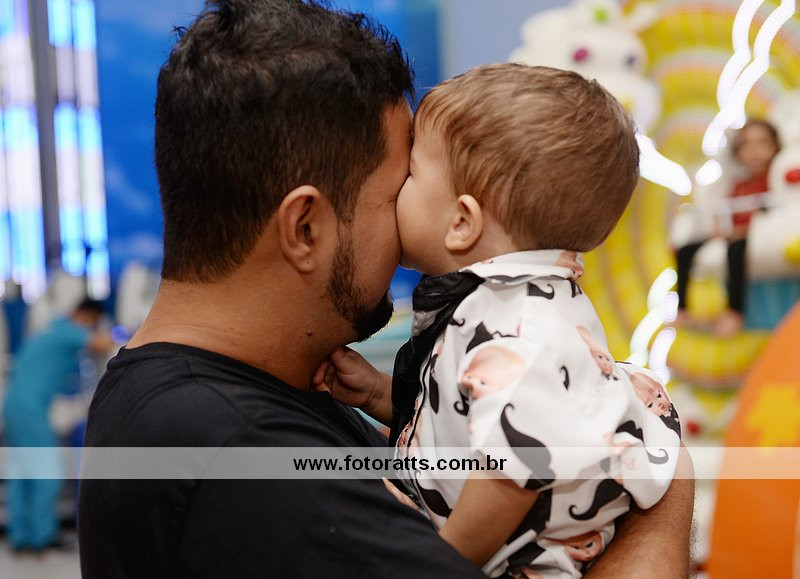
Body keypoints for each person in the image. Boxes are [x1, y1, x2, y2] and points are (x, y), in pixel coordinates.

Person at [78, 1, 693, 577]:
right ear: (305, 228)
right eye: (397, 190)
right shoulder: (245, 456)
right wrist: (667, 484)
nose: (405, 225)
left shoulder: (235, 396)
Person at [314, 64, 690, 577]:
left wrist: (439, 561)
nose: (397, 189)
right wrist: (380, 393)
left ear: (462, 222)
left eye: (411, 174)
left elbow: (512, 471)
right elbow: (467, 417)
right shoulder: (496, 304)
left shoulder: (519, 330)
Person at [2, 298, 112, 553]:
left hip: (13, 405)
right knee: (47, 472)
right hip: (31, 409)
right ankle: (43, 536)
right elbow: (103, 344)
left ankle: (20, 537)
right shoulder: (69, 331)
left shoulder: (50, 331)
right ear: (86, 316)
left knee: (20, 473)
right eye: (93, 323)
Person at [675, 120, 780, 337]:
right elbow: (724, 213)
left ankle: (735, 312)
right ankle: (683, 309)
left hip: (753, 237)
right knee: (685, 250)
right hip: (731, 234)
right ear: (737, 152)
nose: (755, 152)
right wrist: (719, 229)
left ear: (775, 146)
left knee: (736, 249)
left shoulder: (775, 180)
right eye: (747, 145)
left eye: (762, 143)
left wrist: (740, 231)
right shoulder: (738, 184)